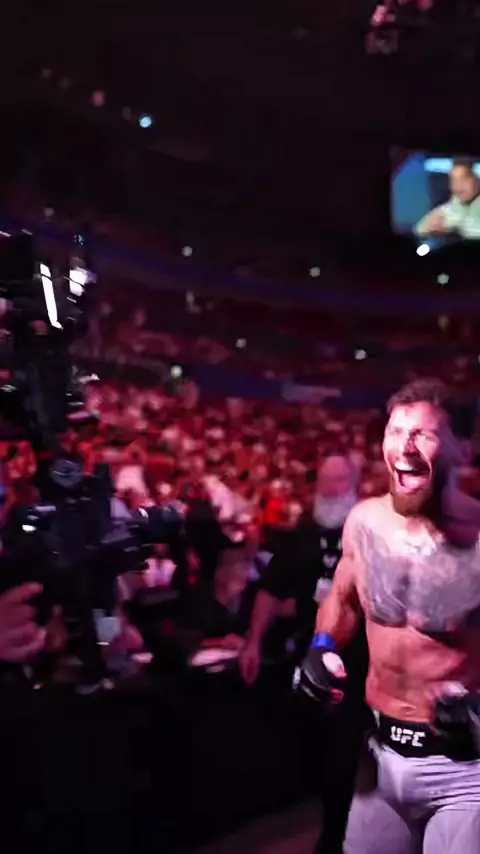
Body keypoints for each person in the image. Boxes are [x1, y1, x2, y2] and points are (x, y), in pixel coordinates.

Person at [297, 378, 480, 853]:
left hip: (463, 773)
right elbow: (342, 599)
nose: (405, 446)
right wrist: (322, 646)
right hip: (378, 758)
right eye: (396, 431)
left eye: (423, 434)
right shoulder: (365, 522)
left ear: (464, 448)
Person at [241, 453, 368, 854]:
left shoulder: (369, 531)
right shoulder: (302, 534)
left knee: (342, 752)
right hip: (309, 656)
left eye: (339, 480)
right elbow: (270, 589)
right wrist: (253, 641)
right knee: (315, 748)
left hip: (359, 660)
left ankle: (335, 839)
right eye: (326, 480)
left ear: (353, 484)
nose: (332, 488)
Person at [415, 158, 480, 240]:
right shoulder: (448, 208)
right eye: (454, 180)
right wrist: (432, 229)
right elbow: (419, 229)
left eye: (464, 179)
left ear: (477, 180)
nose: (458, 186)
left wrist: (455, 229)